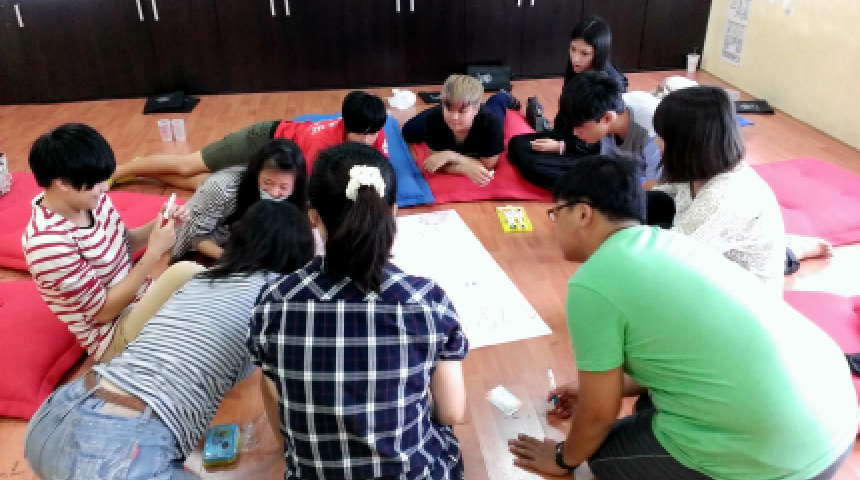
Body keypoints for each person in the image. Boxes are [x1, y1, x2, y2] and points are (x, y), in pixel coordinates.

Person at [508, 155, 857, 480]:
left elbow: (600, 413)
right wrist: (590, 389)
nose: (553, 225)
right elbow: (687, 355)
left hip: (788, 456)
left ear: (583, 214)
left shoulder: (593, 282)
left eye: (556, 213)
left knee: (600, 456)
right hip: (836, 418)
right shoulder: (670, 242)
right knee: (647, 407)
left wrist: (562, 459)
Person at [24, 200, 315, 480]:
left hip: (55, 417)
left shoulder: (199, 278)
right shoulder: (277, 302)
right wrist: (288, 451)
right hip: (118, 446)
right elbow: (275, 390)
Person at [248, 142, 468, 480]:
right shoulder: (428, 301)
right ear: (392, 212)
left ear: (314, 217)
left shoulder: (275, 301)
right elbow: (452, 412)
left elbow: (279, 415)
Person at [23, 123, 189, 363]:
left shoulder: (92, 201)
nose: (104, 187)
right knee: (190, 282)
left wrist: (162, 224)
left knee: (200, 285)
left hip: (141, 298)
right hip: (112, 334)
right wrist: (154, 252)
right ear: (63, 184)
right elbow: (104, 312)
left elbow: (124, 244)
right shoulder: (48, 244)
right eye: (96, 182)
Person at [647, 86, 831, 290]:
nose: (657, 142)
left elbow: (667, 260)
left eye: (664, 137)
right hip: (715, 251)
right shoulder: (702, 169)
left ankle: (789, 253)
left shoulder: (723, 196)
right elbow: (657, 195)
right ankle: (789, 250)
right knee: (648, 206)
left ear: (690, 143)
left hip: (737, 295)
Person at [111, 90, 388, 190]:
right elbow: (309, 190)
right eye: (359, 133)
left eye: (371, 133)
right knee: (188, 166)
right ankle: (118, 171)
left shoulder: (375, 132)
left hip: (282, 157)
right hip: (264, 139)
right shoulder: (322, 145)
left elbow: (383, 169)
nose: (367, 140)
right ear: (345, 124)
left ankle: (147, 172)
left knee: (208, 184)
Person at [508, 15, 629, 190]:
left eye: (584, 53)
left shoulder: (609, 85)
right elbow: (568, 110)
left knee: (534, 165)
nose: (576, 58)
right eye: (573, 49)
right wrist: (554, 135)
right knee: (516, 144)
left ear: (599, 53)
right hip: (572, 134)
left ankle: (592, 183)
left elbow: (601, 138)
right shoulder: (577, 69)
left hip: (592, 146)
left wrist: (562, 146)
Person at [170, 138, 308, 263]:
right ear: (256, 174)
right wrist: (235, 261)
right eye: (267, 182)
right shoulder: (222, 189)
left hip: (237, 244)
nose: (274, 193)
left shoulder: (299, 197)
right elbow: (196, 237)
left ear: (296, 185)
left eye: (284, 187)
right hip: (194, 248)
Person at [402, 74, 518, 186]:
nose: (454, 117)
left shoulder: (491, 122)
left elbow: (487, 166)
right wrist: (465, 168)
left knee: (496, 105)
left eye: (462, 111)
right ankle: (456, 105)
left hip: (488, 113)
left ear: (476, 109)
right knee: (409, 131)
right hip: (442, 115)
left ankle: (503, 95)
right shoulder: (434, 117)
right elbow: (437, 162)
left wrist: (450, 155)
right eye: (449, 108)